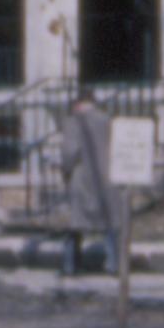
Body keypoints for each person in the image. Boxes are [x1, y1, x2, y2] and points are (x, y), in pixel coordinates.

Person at [58, 91, 121, 275]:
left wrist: (65, 171)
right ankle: (114, 264)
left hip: (82, 178)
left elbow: (70, 152)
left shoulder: (73, 122)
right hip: (107, 177)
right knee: (110, 222)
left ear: (77, 104)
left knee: (76, 225)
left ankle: (70, 265)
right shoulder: (107, 120)